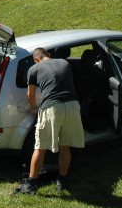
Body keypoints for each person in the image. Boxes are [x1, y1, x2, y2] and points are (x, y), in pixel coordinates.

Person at [16, 47, 84, 195]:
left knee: (40, 147)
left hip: (52, 107)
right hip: (72, 106)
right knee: (65, 146)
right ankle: (62, 181)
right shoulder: (64, 63)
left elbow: (30, 94)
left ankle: (32, 184)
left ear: (36, 58)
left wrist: (34, 108)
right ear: (48, 55)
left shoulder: (34, 69)